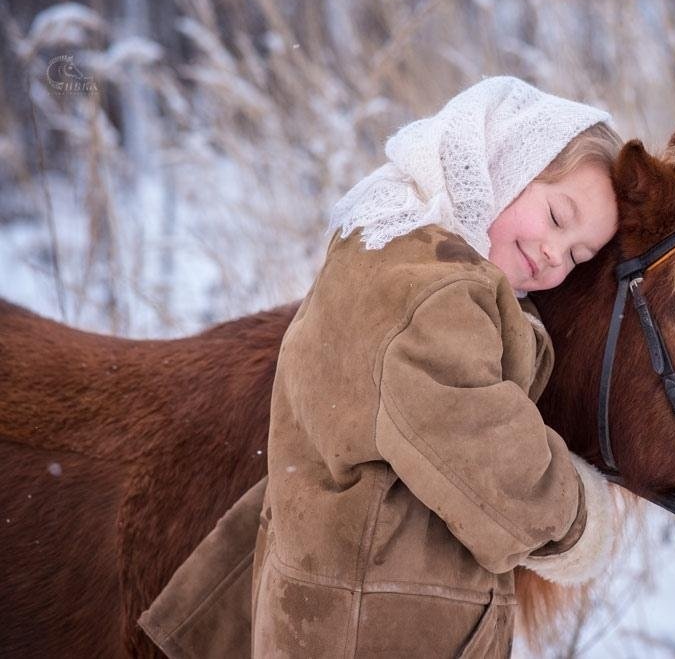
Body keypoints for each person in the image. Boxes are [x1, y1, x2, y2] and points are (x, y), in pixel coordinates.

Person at [139, 76, 622, 658]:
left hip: (338, 607)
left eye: (577, 256)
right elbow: (480, 443)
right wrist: (580, 520)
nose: (553, 254)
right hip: (378, 626)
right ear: (501, 164)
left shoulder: (384, 250)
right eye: (555, 216)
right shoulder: (432, 292)